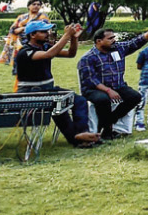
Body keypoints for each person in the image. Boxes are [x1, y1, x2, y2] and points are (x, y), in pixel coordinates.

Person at [14, 19, 100, 147]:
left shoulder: (44, 46)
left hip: (47, 90)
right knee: (60, 106)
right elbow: (48, 55)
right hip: (31, 92)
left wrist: (74, 38)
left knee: (79, 100)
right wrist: (66, 35)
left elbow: (70, 54)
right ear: (32, 35)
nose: (47, 34)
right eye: (43, 32)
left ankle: (82, 134)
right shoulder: (25, 52)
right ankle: (78, 138)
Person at [78, 23, 148, 139]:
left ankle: (109, 121)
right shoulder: (88, 58)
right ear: (99, 41)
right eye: (110, 38)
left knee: (135, 97)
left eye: (114, 37)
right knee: (103, 99)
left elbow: (137, 42)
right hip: (94, 89)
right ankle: (107, 130)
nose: (114, 40)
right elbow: (91, 80)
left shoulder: (118, 48)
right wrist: (108, 90)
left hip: (117, 86)